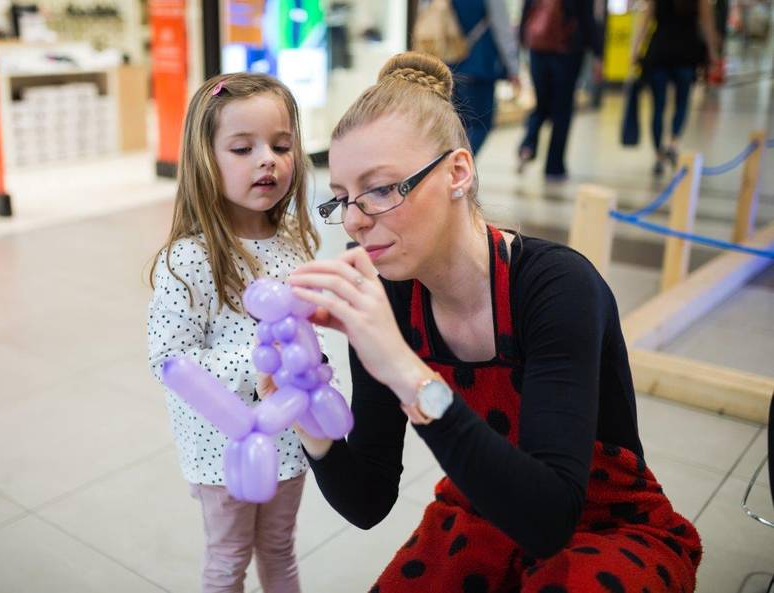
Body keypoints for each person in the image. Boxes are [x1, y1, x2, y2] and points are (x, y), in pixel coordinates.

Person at [290, 52, 702, 592]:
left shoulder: (555, 286)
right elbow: (368, 501)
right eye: (342, 198)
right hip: (479, 505)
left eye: (383, 188)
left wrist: (400, 365)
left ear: (458, 172)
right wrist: (313, 430)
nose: (354, 220)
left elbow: (550, 520)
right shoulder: (390, 293)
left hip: (606, 521)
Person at [147, 73, 320, 593]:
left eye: (281, 145)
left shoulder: (294, 245)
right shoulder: (189, 259)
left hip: (290, 438)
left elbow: (302, 335)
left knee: (279, 549)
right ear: (206, 161)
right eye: (243, 148)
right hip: (219, 447)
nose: (267, 158)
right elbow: (168, 358)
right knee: (227, 559)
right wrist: (260, 359)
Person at [516, 0, 604, 180]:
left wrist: (521, 41)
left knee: (541, 103)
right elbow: (587, 18)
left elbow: (526, 10)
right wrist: (598, 54)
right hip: (567, 51)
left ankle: (528, 145)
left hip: (538, 48)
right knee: (562, 110)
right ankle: (554, 167)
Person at [631, 0, 719, 176]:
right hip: (686, 53)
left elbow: (645, 21)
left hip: (659, 52)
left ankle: (658, 155)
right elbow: (708, 24)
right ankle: (673, 143)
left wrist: (635, 49)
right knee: (682, 103)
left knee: (658, 107)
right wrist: (712, 52)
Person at [448, 0, 521, 155]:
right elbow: (503, 30)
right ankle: (457, 168)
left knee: (458, 124)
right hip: (479, 66)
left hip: (449, 65)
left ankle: (450, 168)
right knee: (480, 124)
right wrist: (513, 68)